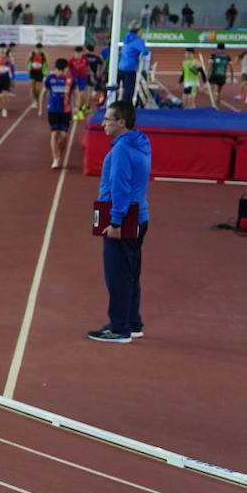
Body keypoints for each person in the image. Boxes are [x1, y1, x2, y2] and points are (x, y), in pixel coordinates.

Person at [89, 101, 150, 344]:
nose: (103, 124)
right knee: (131, 274)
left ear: (121, 122)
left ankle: (119, 328)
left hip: (123, 221)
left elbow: (120, 188)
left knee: (117, 276)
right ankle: (133, 322)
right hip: (140, 216)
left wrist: (115, 222)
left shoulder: (122, 150)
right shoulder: (141, 142)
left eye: (108, 119)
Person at [44, 57, 74, 168]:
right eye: (66, 69)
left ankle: (59, 153)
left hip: (65, 111)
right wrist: (41, 108)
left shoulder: (69, 79)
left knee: (64, 136)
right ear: (61, 68)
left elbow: (76, 92)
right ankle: (55, 159)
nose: (67, 70)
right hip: (53, 110)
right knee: (54, 133)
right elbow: (44, 92)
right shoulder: (50, 79)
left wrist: (76, 106)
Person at [116, 22, 148, 103]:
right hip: (130, 68)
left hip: (121, 67)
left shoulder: (127, 37)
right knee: (128, 90)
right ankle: (125, 108)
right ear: (138, 31)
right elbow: (145, 51)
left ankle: (118, 104)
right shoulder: (137, 40)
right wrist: (141, 41)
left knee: (121, 88)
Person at [204, 43, 233, 109]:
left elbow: (210, 67)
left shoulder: (213, 55)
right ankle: (217, 106)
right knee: (219, 91)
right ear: (224, 48)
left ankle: (214, 105)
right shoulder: (227, 56)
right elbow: (231, 68)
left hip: (214, 75)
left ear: (217, 48)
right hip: (222, 76)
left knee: (213, 90)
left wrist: (207, 77)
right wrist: (232, 77)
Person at [0, 45, 15, 117]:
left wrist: (13, 79)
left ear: (5, 50)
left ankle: (4, 110)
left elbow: (12, 69)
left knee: (4, 95)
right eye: (0, 49)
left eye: (3, 49)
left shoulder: (9, 59)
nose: (2, 50)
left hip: (6, 78)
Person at [68, 45, 91, 117]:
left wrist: (90, 75)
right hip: (74, 79)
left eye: (80, 53)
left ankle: (79, 108)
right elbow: (68, 70)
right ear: (74, 53)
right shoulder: (71, 61)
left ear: (82, 53)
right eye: (76, 53)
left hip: (83, 78)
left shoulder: (85, 59)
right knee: (75, 95)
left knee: (82, 95)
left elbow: (88, 67)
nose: (78, 55)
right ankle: (74, 109)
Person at [26, 42, 48, 110]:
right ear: (35, 48)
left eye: (40, 49)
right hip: (33, 72)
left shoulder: (43, 55)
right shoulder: (31, 54)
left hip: (40, 72)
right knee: (32, 88)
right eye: (37, 49)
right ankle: (34, 101)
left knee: (38, 89)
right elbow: (27, 62)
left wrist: (45, 72)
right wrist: (28, 69)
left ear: (42, 49)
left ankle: (37, 99)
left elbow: (46, 63)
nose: (39, 50)